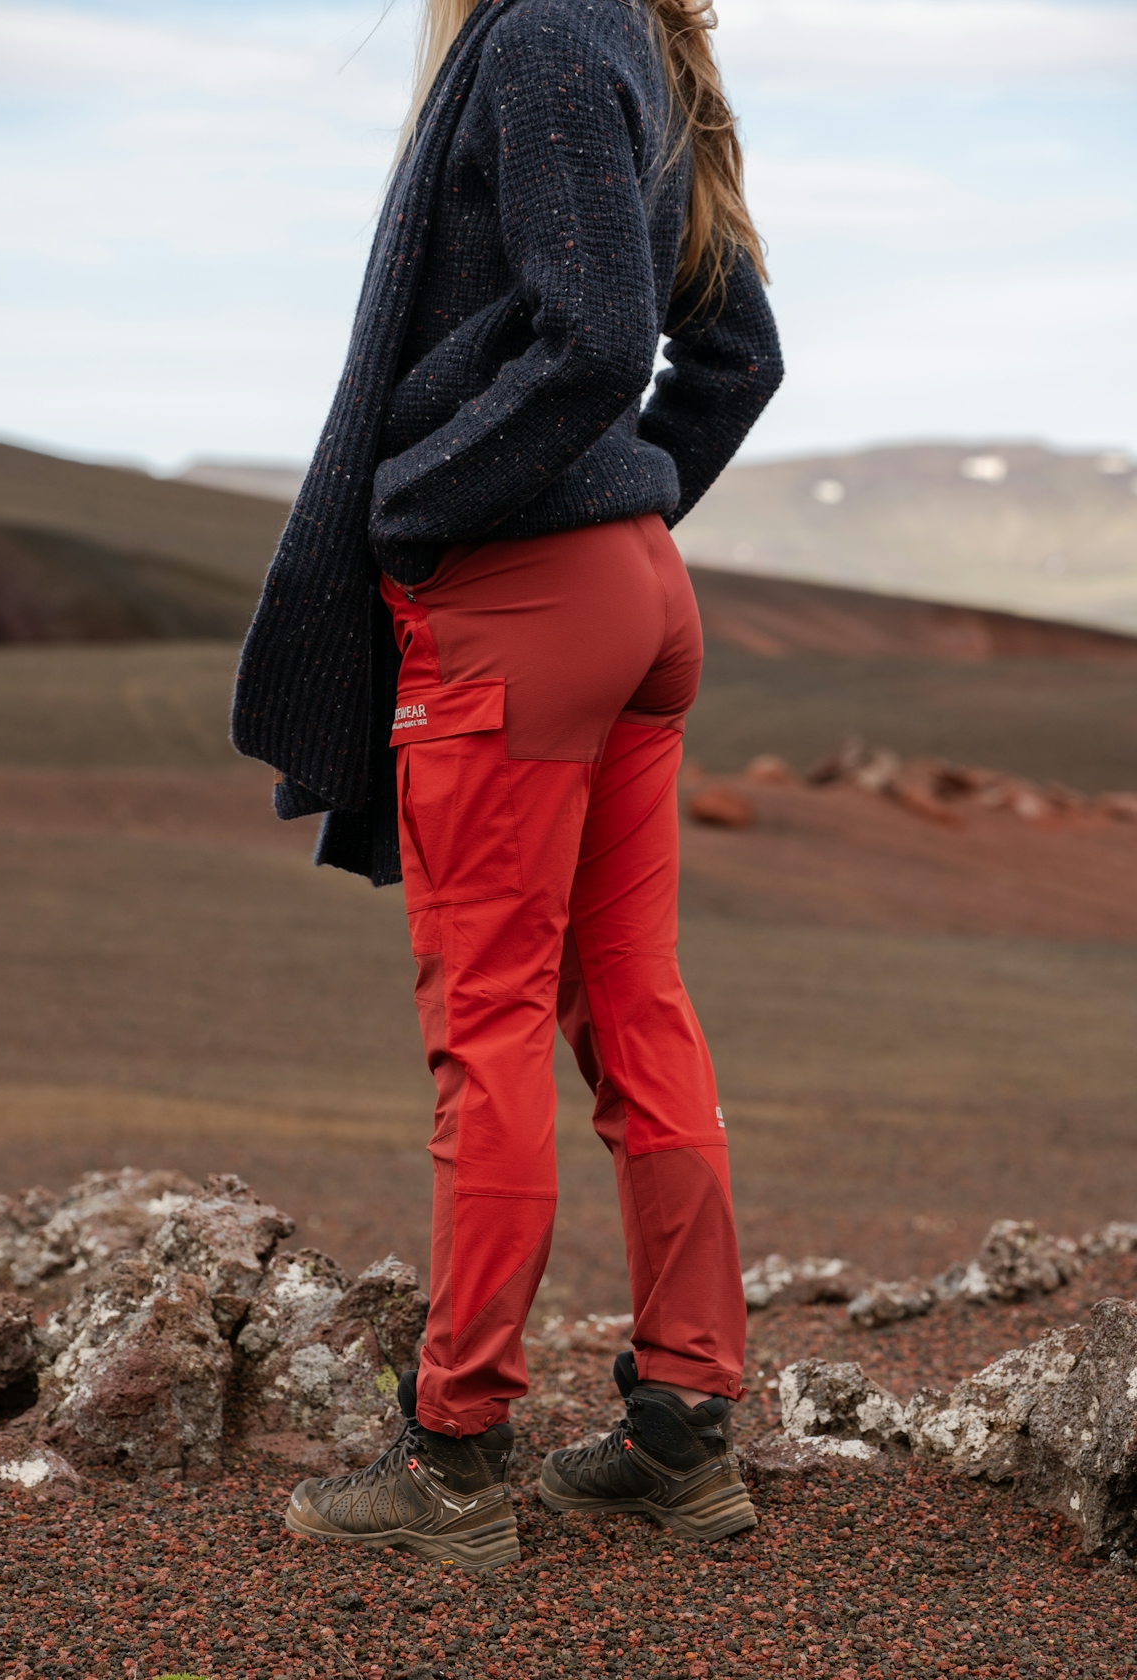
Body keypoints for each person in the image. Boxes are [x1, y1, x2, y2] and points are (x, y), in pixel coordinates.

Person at [232, 0, 782, 1572]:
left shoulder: (539, 32)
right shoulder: (640, 46)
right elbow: (737, 354)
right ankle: (682, 1431)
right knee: (635, 1001)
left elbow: (598, 338)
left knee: (485, 1026)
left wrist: (417, 502)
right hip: (638, 595)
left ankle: (457, 1453)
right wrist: (622, 499)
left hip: (519, 601)